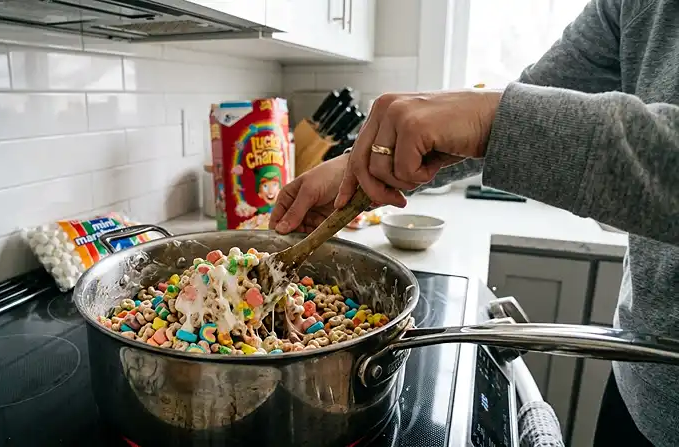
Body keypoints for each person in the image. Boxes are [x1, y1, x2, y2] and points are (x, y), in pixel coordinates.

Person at [269, 1, 679, 446]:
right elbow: (539, 93)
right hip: (638, 374)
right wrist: (355, 169)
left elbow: (503, 122)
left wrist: (491, 118)